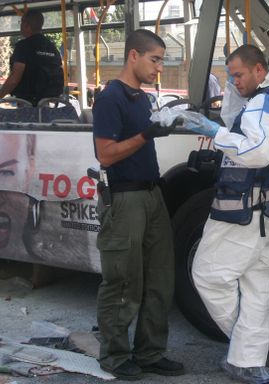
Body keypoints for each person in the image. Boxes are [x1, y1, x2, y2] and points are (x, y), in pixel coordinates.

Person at [188, 44, 269, 384]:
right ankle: (248, 361)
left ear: (259, 70)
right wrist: (231, 101)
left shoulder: (261, 102)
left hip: (246, 213)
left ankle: (244, 347)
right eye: (229, 76)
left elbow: (257, 152)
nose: (234, 81)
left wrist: (215, 133)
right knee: (257, 285)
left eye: (238, 75)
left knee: (208, 276)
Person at [92, 29, 184, 381]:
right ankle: (114, 357)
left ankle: (150, 353)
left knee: (160, 278)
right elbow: (105, 154)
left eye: (161, 60)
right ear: (133, 56)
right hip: (125, 197)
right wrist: (147, 134)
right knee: (123, 281)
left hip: (152, 194)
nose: (159, 68)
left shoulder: (143, 99)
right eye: (155, 59)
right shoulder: (111, 98)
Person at [0, 9, 63, 105]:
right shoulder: (52, 48)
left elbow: (14, 79)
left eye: (21, 22)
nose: (20, 25)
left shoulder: (23, 47)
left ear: (26, 25)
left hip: (27, 105)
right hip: (49, 104)